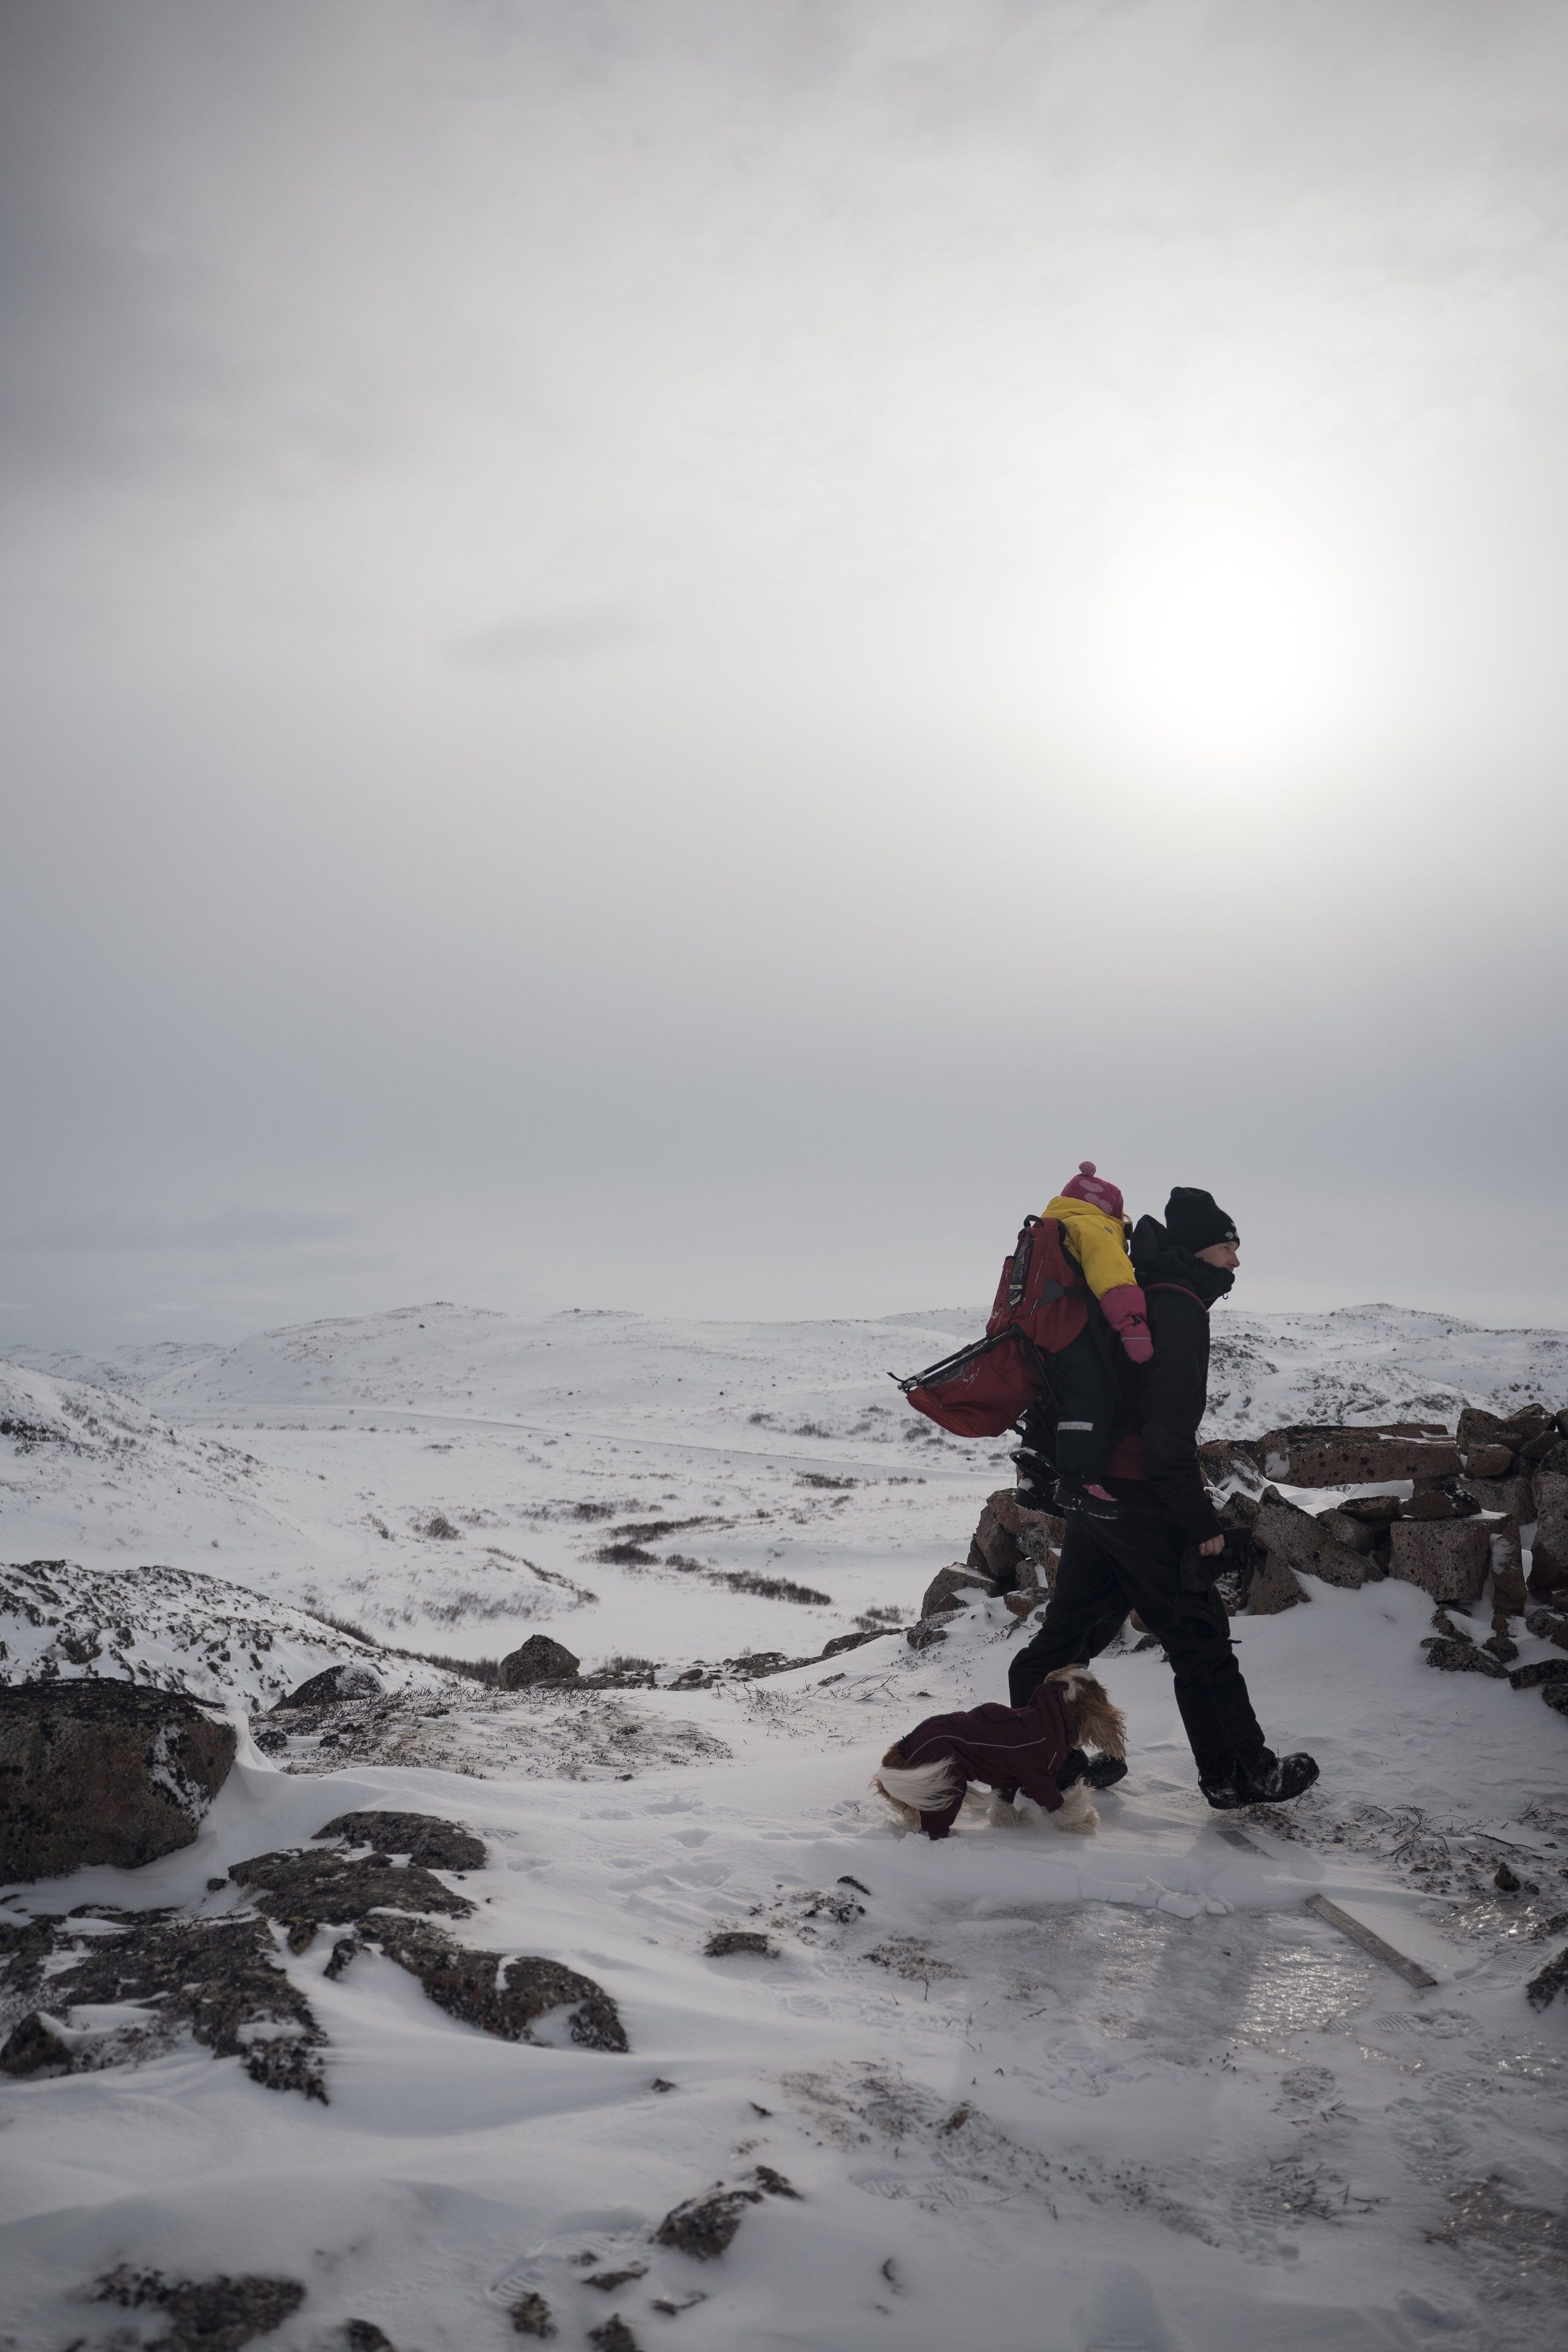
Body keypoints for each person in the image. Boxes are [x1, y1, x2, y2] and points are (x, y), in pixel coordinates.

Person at [1008, 1184, 1319, 1811]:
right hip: (1136, 1496)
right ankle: (1240, 1775)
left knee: (1066, 1635)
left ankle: (1042, 1759)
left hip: (1090, 1493)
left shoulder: (1134, 1294)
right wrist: (1198, 1523)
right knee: (1198, 1636)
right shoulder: (1176, 1309)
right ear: (1202, 1249)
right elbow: (1167, 1435)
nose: (1236, 1262)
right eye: (1230, 1247)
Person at [1022, 1161, 1152, 1517]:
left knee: (1053, 1398)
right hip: (1070, 1331)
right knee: (1093, 1396)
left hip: (1035, 1335)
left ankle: (1035, 1478)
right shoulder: (1094, 1225)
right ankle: (1080, 1482)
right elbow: (1114, 1278)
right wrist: (1134, 1328)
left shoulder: (1048, 1226)